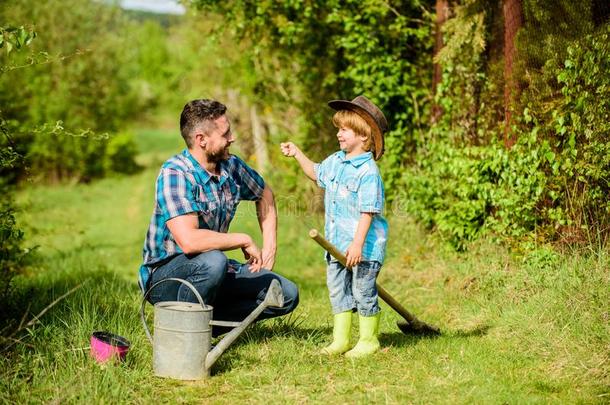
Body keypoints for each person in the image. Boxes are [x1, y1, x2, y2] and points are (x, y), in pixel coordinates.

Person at [139, 99, 298, 331]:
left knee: (285, 293)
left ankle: (202, 325)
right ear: (201, 140)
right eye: (225, 134)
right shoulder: (175, 172)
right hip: (166, 277)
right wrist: (243, 239)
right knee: (214, 260)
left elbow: (264, 194)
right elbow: (190, 242)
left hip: (212, 269)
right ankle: (181, 334)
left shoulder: (231, 166)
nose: (231, 138)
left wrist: (269, 248)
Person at [280, 95, 388, 357]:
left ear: (363, 136)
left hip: (362, 247)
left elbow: (368, 211)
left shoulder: (368, 171)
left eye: (343, 130)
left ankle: (368, 340)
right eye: (338, 129)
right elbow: (317, 174)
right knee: (338, 290)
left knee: (363, 291)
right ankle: (340, 340)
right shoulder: (336, 160)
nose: (338, 134)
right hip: (335, 243)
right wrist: (297, 154)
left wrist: (357, 244)